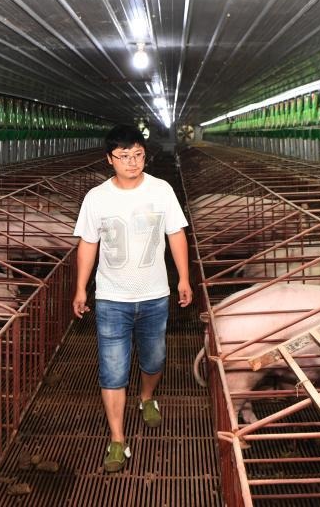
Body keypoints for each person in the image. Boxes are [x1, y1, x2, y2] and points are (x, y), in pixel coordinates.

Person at [72, 124, 192, 473]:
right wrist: (81, 287)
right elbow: (88, 243)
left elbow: (176, 234)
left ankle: (147, 396)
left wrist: (184, 278)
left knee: (154, 359)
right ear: (109, 159)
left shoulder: (162, 190)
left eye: (138, 154)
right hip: (111, 298)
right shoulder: (97, 197)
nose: (132, 162)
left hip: (155, 294)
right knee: (113, 370)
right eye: (124, 156)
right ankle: (117, 439)